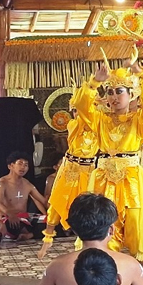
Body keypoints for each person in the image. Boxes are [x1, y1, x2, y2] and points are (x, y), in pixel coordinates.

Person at [75, 49, 143, 265]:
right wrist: (95, 82)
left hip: (131, 178)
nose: (114, 97)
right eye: (110, 92)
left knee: (134, 222)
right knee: (102, 222)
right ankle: (103, 265)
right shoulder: (100, 120)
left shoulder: (139, 121)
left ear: (131, 94)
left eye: (119, 91)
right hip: (104, 177)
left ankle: (135, 270)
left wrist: (141, 74)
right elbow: (81, 106)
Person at [38, 88, 99, 259]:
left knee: (87, 207)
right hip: (71, 168)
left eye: (79, 110)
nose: (76, 114)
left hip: (89, 170)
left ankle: (84, 243)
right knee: (58, 202)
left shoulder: (99, 124)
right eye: (73, 110)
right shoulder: (73, 124)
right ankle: (47, 239)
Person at [0, 152, 48, 241]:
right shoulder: (2, 182)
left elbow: (43, 201)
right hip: (9, 217)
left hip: (25, 217)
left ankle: (29, 234)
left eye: (26, 165)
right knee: (12, 223)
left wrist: (55, 211)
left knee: (50, 221)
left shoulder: (27, 184)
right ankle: (28, 233)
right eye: (20, 164)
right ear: (10, 166)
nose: (23, 167)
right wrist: (9, 213)